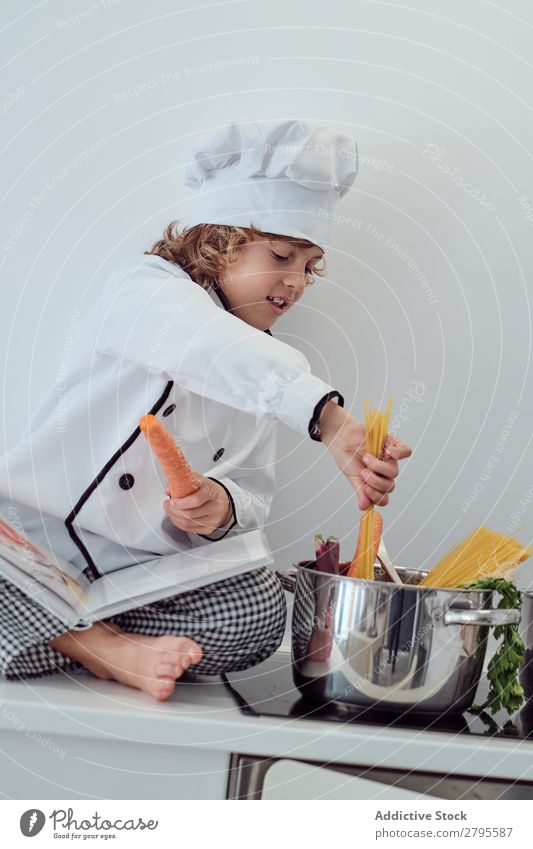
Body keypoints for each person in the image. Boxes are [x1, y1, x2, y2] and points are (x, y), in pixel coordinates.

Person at [0, 119, 411, 701]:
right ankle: (99, 648)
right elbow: (206, 344)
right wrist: (330, 420)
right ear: (218, 240)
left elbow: (250, 491)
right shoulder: (144, 290)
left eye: (308, 266)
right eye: (283, 255)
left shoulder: (267, 364)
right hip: (23, 544)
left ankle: (60, 630)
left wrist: (218, 506)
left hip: (136, 583)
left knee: (261, 610)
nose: (295, 282)